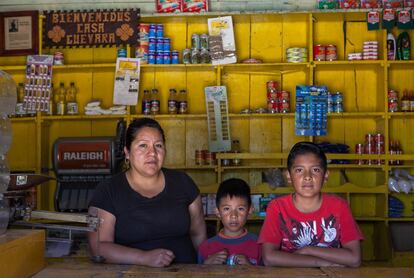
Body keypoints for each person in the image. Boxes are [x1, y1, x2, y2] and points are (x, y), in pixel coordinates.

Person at [88, 118, 206, 267]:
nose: (152, 153)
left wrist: (205, 264)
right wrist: (143, 258)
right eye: (143, 146)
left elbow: (198, 234)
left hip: (185, 273)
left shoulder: (183, 183)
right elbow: (98, 247)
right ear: (127, 153)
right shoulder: (108, 190)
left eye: (158, 145)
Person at [258, 141, 363, 267]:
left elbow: (354, 258)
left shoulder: (339, 206)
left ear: (325, 176)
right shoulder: (277, 207)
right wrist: (319, 262)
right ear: (289, 176)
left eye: (315, 170)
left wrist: (308, 250)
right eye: (299, 170)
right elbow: (269, 258)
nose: (307, 176)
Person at [198, 178, 260, 265]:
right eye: (227, 209)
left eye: (240, 209)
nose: (234, 215)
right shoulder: (206, 247)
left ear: (249, 211)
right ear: (217, 212)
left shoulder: (258, 245)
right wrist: (207, 264)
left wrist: (250, 268)